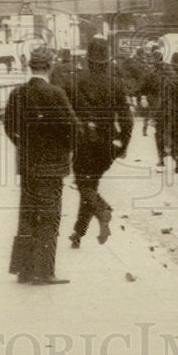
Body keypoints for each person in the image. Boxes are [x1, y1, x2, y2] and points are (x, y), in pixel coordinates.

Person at [4, 46, 79, 284]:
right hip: (52, 166)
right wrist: (65, 149)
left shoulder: (18, 93)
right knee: (49, 216)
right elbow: (72, 127)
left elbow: (8, 126)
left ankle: (23, 269)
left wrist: (23, 145)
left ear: (30, 66)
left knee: (27, 214)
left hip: (28, 164)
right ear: (50, 66)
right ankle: (43, 270)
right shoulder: (56, 93)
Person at [66, 36, 133, 248]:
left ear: (88, 60)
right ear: (107, 61)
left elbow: (66, 116)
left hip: (81, 141)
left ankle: (103, 210)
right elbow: (127, 118)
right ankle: (78, 232)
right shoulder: (116, 84)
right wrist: (124, 143)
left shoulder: (74, 82)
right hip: (107, 142)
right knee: (90, 184)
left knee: (84, 185)